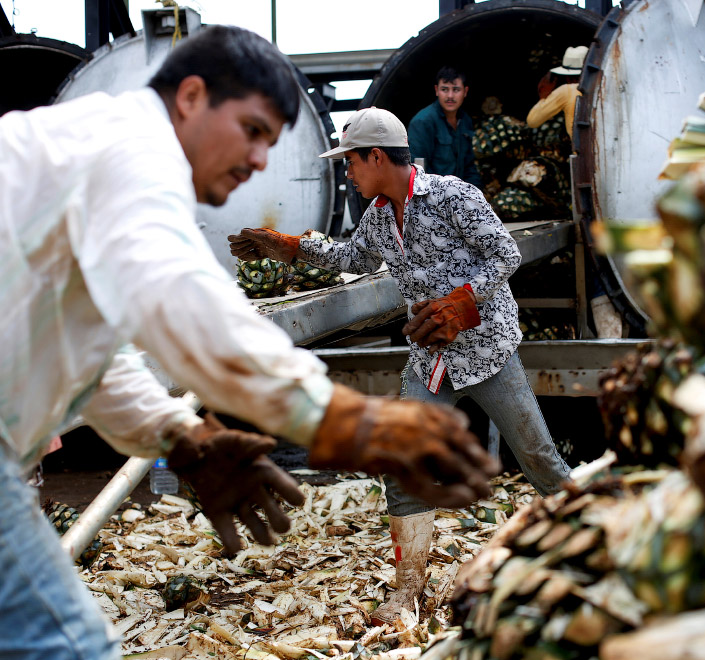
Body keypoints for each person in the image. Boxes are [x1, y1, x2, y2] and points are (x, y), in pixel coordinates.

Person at [0, 27, 498, 660]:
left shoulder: (94, 157)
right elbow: (179, 301)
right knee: (66, 646)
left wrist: (176, 435)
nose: (261, 159)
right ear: (192, 96)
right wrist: (342, 419)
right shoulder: (130, 153)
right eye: (254, 130)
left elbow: (90, 352)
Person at [229, 107, 572, 626]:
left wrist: (463, 302)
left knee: (539, 459)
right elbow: (355, 259)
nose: (348, 173)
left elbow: (504, 254)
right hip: (431, 357)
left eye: (351, 163)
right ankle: (407, 592)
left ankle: (604, 547)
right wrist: (293, 248)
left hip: (487, 351)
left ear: (376, 156)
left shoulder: (452, 196)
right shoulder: (378, 215)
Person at [526, 45, 623, 338]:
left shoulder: (569, 91)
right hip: (616, 173)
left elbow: (532, 120)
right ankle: (622, 323)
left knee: (591, 250)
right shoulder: (609, 86)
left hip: (588, 175)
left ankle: (607, 332)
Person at [407, 66, 483, 187]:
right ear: (436, 90)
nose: (450, 96)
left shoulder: (465, 121)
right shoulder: (423, 122)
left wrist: (476, 197)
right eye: (445, 89)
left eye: (456, 90)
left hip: (459, 196)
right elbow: (417, 172)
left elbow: (469, 166)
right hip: (432, 197)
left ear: (465, 92)